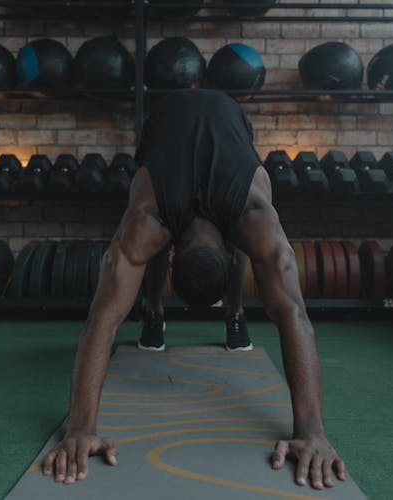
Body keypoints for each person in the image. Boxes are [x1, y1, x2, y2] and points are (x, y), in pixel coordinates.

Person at [42, 89, 346, 490]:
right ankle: (165, 312)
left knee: (127, 264)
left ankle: (174, 313)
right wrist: (312, 434)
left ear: (169, 255)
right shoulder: (255, 217)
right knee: (269, 280)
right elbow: (293, 314)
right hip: (196, 116)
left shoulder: (147, 219)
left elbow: (104, 316)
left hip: (205, 118)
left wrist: (81, 427)